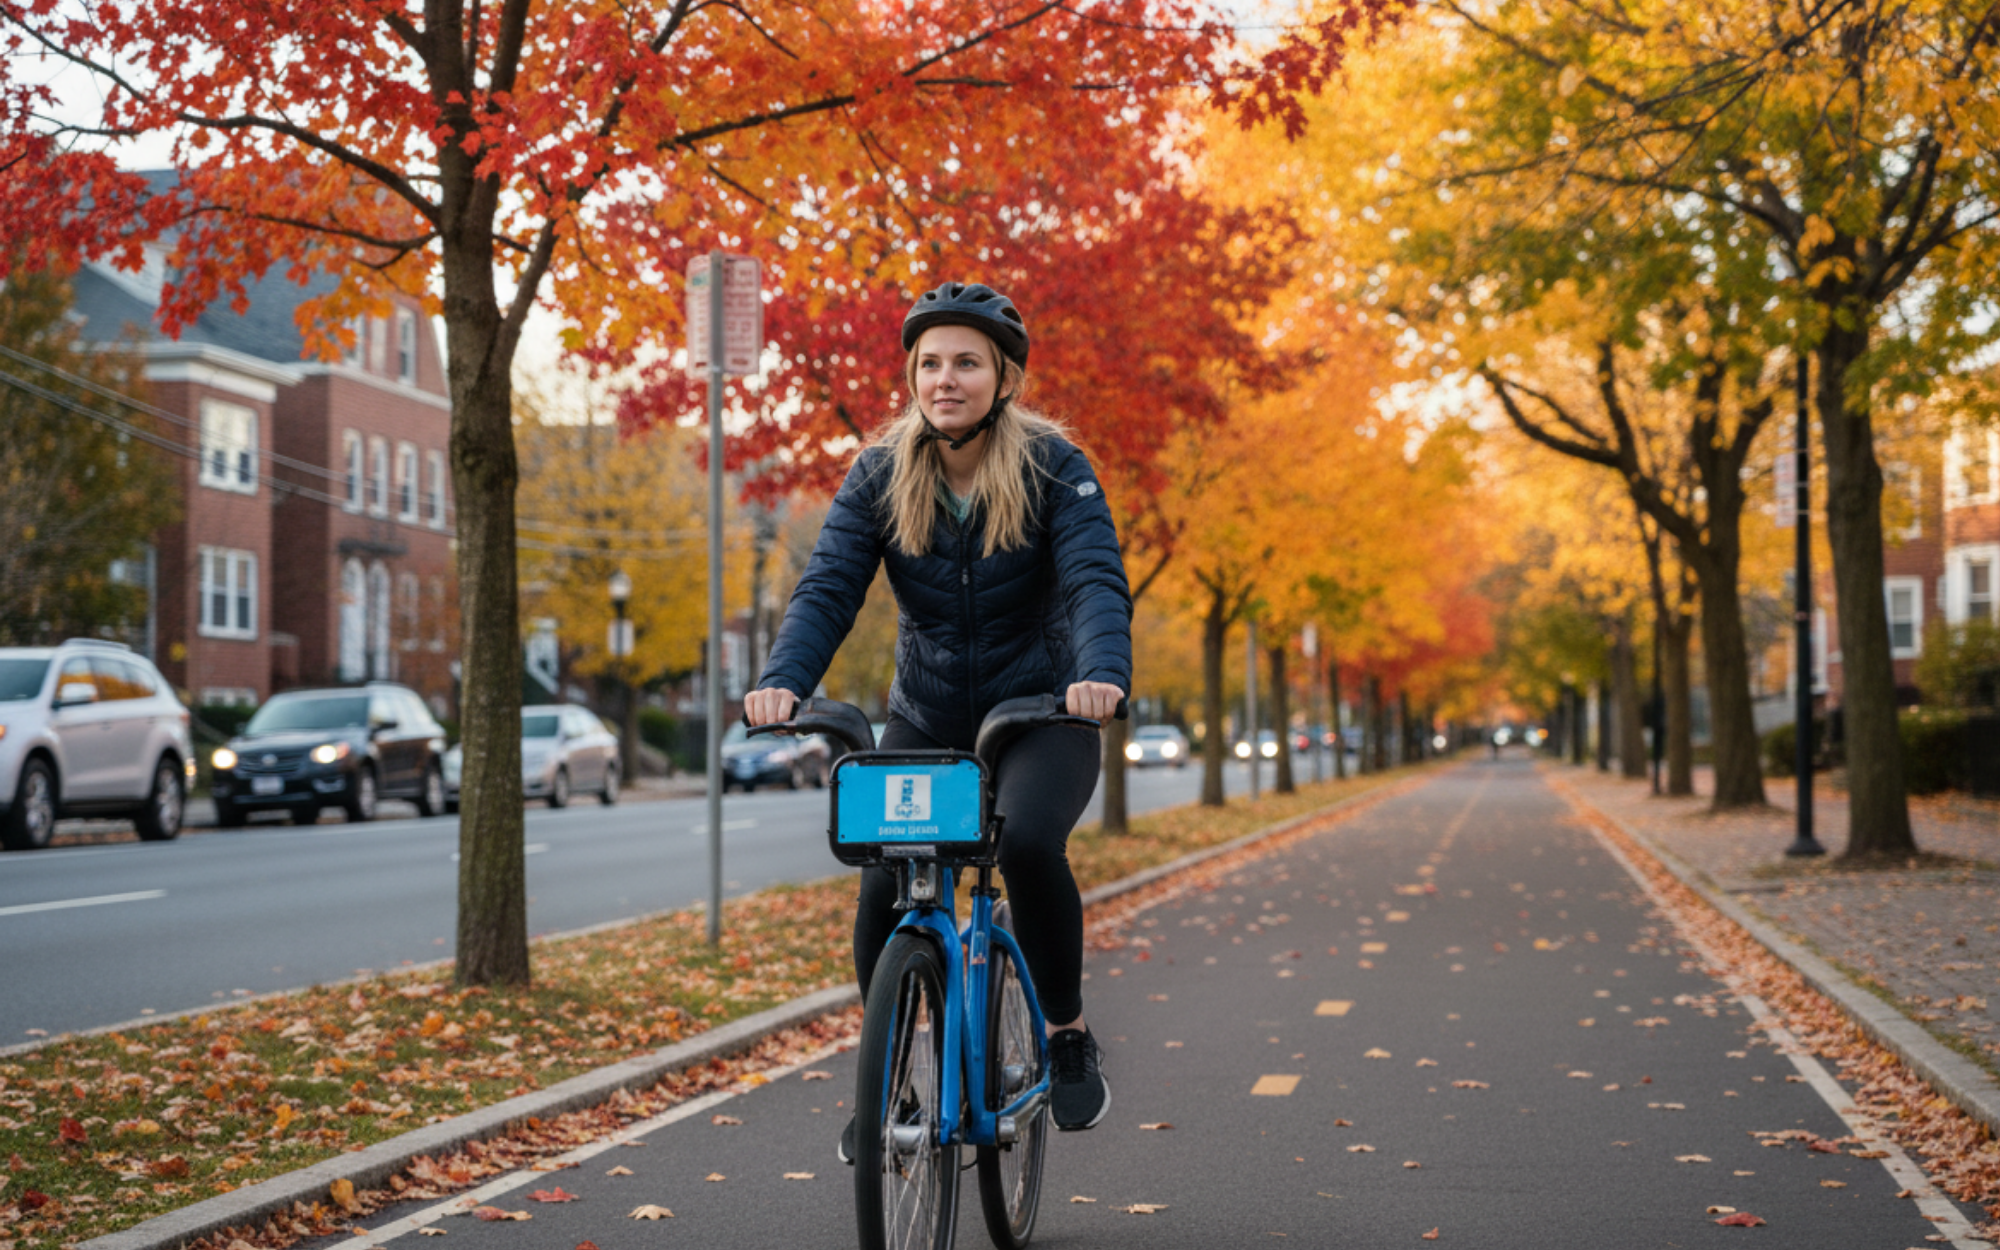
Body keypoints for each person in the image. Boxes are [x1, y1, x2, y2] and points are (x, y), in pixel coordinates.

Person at [742, 281, 1132, 1162]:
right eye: (929, 363)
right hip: (926, 715)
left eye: (966, 362)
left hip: (1042, 713)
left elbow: (1094, 581)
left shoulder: (1054, 467)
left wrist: (1101, 674)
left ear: (1005, 378)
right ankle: (890, 1075)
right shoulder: (882, 472)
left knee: (1027, 843)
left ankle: (1065, 1033)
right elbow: (829, 587)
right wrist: (783, 681)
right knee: (886, 878)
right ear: (911, 376)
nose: (945, 379)